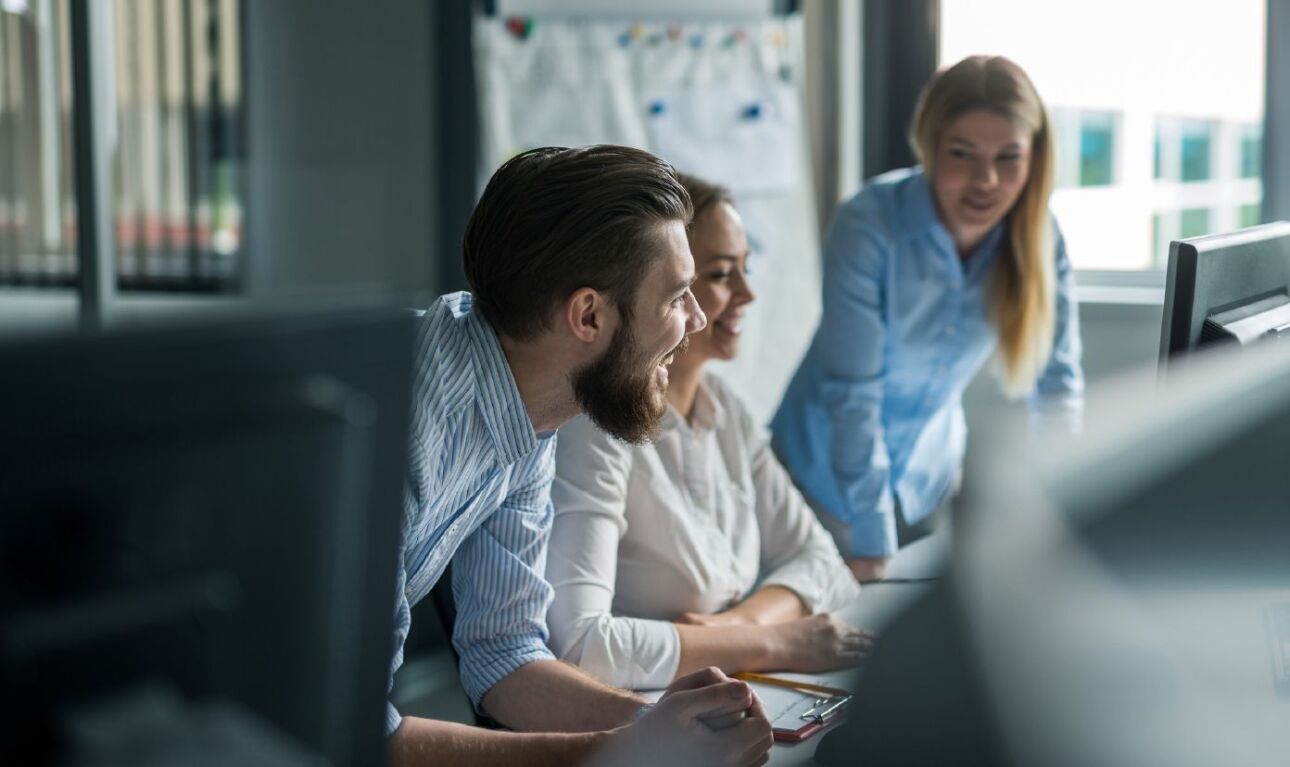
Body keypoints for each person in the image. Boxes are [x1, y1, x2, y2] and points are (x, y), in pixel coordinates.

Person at [388, 146, 774, 767]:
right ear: (588, 314)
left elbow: (505, 655)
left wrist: (667, 725)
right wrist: (625, 752)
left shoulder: (532, 407)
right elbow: (365, 734)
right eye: (677, 296)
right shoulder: (403, 424)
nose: (699, 319)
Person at [545, 173, 870, 692]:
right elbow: (582, 649)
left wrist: (733, 628)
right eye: (720, 274)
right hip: (640, 710)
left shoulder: (725, 411)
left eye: (745, 268)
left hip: (728, 683)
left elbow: (822, 561)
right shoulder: (596, 426)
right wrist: (775, 641)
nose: (747, 293)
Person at [771, 55, 1084, 582]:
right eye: (963, 154)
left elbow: (1057, 387)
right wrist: (872, 540)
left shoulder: (1039, 237)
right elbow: (854, 392)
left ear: (1034, 159)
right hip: (819, 482)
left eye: (1009, 158)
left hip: (927, 481)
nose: (986, 181)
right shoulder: (869, 223)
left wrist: (1066, 512)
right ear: (929, 146)